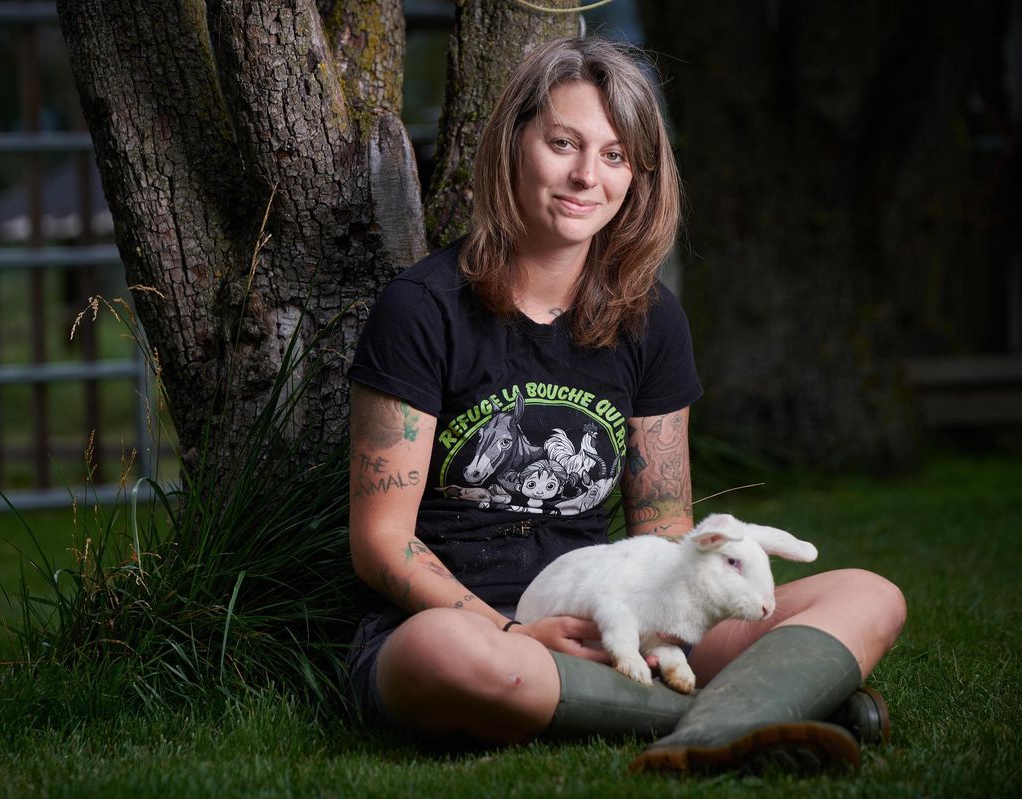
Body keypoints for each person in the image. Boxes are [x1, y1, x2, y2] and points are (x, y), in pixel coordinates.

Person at [344, 36, 906, 773]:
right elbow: (382, 540)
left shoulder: (651, 319)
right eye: (563, 143)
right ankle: (759, 706)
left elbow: (666, 530)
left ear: (638, 176)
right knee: (451, 657)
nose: (586, 176)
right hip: (465, 627)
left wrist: (660, 628)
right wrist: (514, 631)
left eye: (614, 156)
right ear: (514, 145)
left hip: (621, 616)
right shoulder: (421, 308)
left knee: (870, 594)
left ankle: (699, 724)